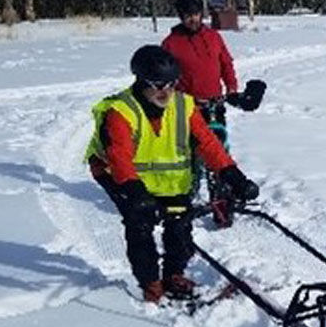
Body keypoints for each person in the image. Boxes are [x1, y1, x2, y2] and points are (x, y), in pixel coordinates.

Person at [85, 45, 259, 303]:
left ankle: (174, 275)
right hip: (115, 173)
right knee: (139, 224)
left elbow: (208, 144)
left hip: (168, 178)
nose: (165, 91)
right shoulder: (121, 112)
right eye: (157, 85)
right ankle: (151, 286)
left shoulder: (183, 105)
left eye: (171, 84)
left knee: (180, 223)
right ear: (141, 81)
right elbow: (119, 156)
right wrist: (136, 194)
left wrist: (234, 176)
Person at [162, 0, 243, 222]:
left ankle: (221, 200)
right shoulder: (171, 43)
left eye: (196, 14)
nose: (193, 19)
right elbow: (165, 78)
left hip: (215, 104)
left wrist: (232, 88)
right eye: (187, 16)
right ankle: (187, 194)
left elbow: (226, 63)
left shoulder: (214, 37)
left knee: (219, 152)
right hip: (188, 108)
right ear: (180, 17)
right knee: (193, 154)